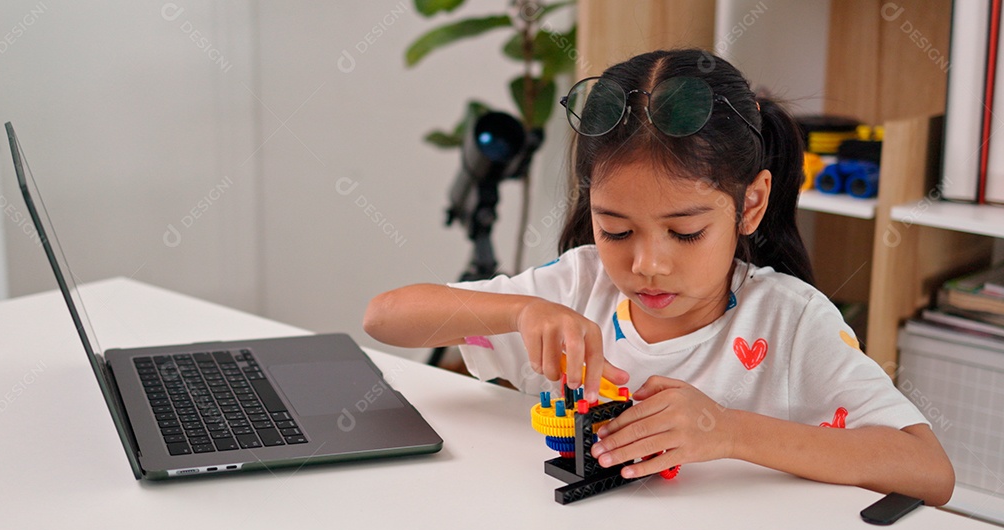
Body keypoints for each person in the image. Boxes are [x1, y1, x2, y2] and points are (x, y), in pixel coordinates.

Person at [364, 49, 954, 506]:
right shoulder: (576, 286)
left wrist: (727, 432)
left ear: (751, 204)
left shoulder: (791, 321)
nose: (647, 264)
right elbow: (384, 316)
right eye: (616, 230)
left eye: (685, 232)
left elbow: (929, 471)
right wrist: (517, 312)